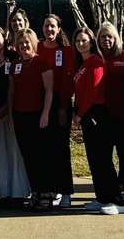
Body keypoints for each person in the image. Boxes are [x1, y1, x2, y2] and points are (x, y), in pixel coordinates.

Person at [71, 26, 124, 215]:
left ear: (91, 42)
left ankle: (117, 200)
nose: (80, 44)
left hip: (97, 114)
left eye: (84, 40)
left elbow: (93, 91)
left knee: (103, 159)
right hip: (86, 114)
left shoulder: (95, 62)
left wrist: (79, 115)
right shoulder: (83, 64)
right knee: (94, 159)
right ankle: (102, 197)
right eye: (77, 41)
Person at [8, 28, 54, 210]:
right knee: (28, 157)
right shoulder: (15, 65)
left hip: (38, 116)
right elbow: (11, 92)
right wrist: (11, 115)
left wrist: (45, 113)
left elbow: (49, 91)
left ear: (33, 43)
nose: (24, 46)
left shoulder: (42, 63)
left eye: (27, 42)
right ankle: (35, 191)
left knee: (41, 156)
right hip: (21, 117)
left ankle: (46, 193)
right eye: (20, 44)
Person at [0, 25, 28, 205]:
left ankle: (19, 192)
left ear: (4, 38)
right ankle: (4, 192)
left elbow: (18, 85)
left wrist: (8, 110)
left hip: (12, 111)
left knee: (15, 151)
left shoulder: (14, 57)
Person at [35, 14, 75, 209]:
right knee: (44, 149)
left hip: (60, 102)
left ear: (59, 29)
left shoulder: (66, 50)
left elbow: (68, 80)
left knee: (61, 149)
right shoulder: (36, 47)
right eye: (46, 26)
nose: (49, 30)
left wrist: (62, 106)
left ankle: (66, 191)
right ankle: (50, 189)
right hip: (40, 103)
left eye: (53, 26)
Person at [98, 22, 124, 208]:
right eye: (103, 36)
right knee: (104, 155)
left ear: (116, 38)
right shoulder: (96, 59)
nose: (107, 40)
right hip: (103, 115)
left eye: (110, 36)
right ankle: (111, 190)